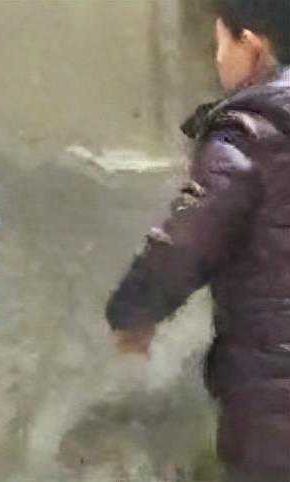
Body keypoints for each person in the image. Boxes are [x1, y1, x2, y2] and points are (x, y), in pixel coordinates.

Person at [106, 2, 290, 480]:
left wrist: (135, 311)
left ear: (252, 46)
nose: (217, 59)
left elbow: (187, 239)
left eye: (220, 44)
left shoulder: (247, 136)